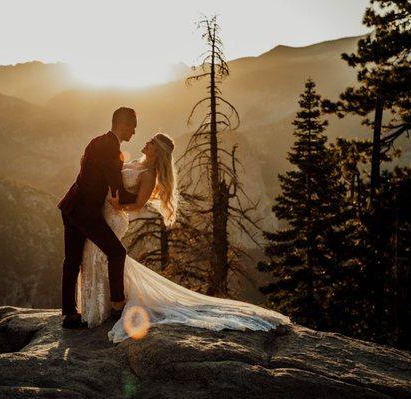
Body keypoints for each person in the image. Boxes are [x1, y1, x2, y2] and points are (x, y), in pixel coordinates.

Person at [75, 132, 292, 342]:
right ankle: (100, 305)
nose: (146, 142)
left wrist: (118, 205)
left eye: (151, 142)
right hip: (103, 213)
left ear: (157, 152)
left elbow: (139, 205)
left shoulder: (149, 175)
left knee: (101, 256)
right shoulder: (137, 165)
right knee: (94, 254)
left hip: (114, 218)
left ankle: (106, 307)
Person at [58, 107, 138, 329]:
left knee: (72, 260)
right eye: (133, 128)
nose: (134, 133)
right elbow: (118, 192)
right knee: (117, 252)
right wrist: (144, 197)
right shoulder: (112, 148)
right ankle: (117, 306)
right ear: (123, 125)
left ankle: (69, 314)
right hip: (86, 212)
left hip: (71, 205)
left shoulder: (97, 141)